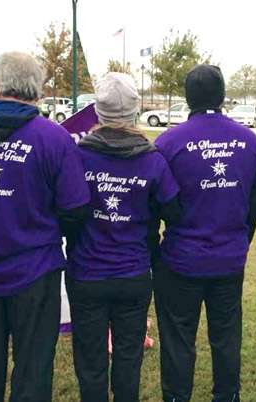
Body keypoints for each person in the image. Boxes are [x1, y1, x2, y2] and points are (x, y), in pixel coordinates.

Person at [0, 52, 90, 402]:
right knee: (32, 369)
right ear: (37, 88)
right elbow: (75, 207)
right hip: (35, 270)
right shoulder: (53, 138)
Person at [153, 65, 256, 402]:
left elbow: (160, 203)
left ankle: (176, 396)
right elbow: (254, 202)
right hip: (228, 258)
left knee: (177, 337)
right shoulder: (249, 142)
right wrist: (238, 240)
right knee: (226, 335)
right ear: (222, 95)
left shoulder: (168, 143)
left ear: (188, 98)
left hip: (181, 258)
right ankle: (227, 395)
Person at [66, 72, 180, 402]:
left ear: (98, 111)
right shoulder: (152, 159)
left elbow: (66, 211)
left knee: (90, 361)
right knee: (129, 358)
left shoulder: (78, 156)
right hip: (133, 274)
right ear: (135, 111)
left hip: (87, 274)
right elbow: (173, 210)